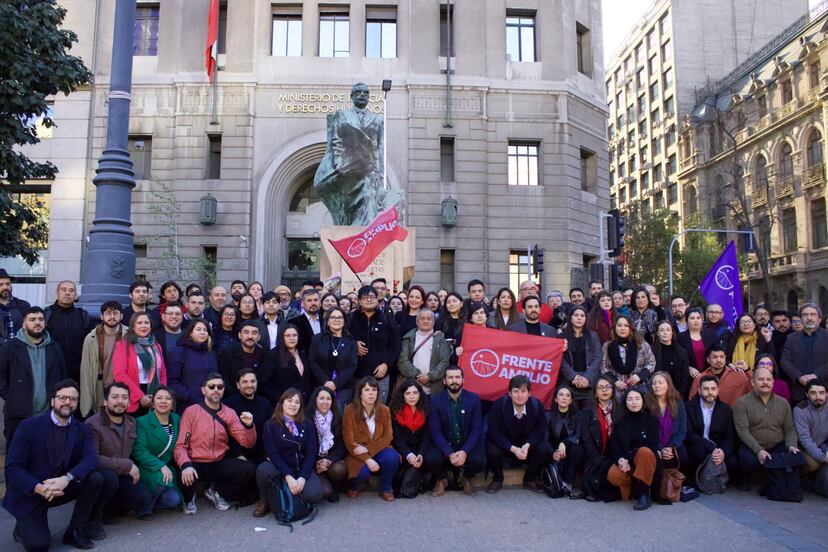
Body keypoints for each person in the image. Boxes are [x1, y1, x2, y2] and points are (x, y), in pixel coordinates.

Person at [3, 379, 105, 551]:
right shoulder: (29, 426)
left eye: (73, 399)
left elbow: (91, 459)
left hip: (61, 486)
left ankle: (74, 531)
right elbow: (13, 467)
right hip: (32, 491)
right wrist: (38, 487)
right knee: (39, 545)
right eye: (62, 397)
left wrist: (67, 478)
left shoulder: (82, 429)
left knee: (95, 478)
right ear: (52, 401)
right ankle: (23, 521)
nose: (67, 402)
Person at [174, 373, 257, 513]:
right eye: (211, 386)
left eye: (220, 386)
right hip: (196, 462)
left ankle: (217, 492)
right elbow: (181, 446)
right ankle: (189, 498)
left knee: (248, 469)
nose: (216, 390)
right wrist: (186, 465)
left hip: (218, 462)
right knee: (183, 471)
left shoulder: (229, 413)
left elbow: (247, 442)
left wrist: (249, 427)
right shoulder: (191, 411)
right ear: (203, 390)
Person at [85, 382, 154, 521]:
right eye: (115, 397)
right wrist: (127, 465)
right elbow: (93, 458)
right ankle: (95, 514)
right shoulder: (92, 424)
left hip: (122, 474)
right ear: (105, 401)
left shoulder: (131, 422)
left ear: (129, 402)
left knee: (144, 500)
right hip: (101, 474)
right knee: (109, 479)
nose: (120, 401)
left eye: (124, 398)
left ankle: (111, 508)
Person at [0, 306, 67, 446]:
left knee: (45, 457)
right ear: (24, 323)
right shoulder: (10, 347)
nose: (37, 323)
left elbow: (63, 376)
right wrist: (11, 396)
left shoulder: (54, 347)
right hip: (18, 414)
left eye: (40, 319)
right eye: (32, 319)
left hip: (48, 414)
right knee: (17, 456)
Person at [255, 388, 324, 517]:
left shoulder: (307, 424)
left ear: (300, 406)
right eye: (290, 400)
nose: (293, 405)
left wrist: (303, 477)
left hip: (301, 467)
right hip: (280, 468)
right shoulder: (270, 425)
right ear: (282, 403)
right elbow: (273, 454)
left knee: (315, 494)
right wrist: (289, 476)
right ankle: (263, 501)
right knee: (263, 469)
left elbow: (311, 452)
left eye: (297, 402)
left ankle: (290, 495)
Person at [733, 367, 800, 492]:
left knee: (791, 458)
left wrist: (791, 444)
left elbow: (789, 428)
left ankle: (771, 481)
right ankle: (744, 477)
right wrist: (759, 450)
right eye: (761, 379)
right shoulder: (742, 403)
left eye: (769, 379)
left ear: (773, 382)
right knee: (748, 461)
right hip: (752, 445)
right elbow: (743, 431)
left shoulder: (783, 403)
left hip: (776, 444)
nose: (765, 382)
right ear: (753, 382)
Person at [485, 375, 552, 493]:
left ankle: (529, 479)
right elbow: (494, 431)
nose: (520, 395)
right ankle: (497, 479)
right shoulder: (499, 405)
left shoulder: (537, 406)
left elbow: (540, 430)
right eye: (516, 391)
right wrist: (512, 448)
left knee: (543, 448)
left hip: (525, 445)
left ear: (529, 393)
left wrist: (528, 444)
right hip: (505, 444)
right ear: (509, 393)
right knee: (492, 450)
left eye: (523, 391)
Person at [425, 366, 484, 496]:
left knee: (480, 460)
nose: (454, 380)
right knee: (430, 458)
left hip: (466, 443)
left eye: (457, 377)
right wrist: (449, 453)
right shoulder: (435, 401)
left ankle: (466, 478)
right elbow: (435, 431)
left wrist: (464, 451)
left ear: (463, 380)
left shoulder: (473, 399)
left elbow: (476, 429)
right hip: (446, 444)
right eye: (450, 377)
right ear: (444, 381)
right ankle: (442, 479)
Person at [342, 377, 399, 501]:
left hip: (378, 448)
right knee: (362, 472)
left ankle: (386, 488)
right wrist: (367, 459)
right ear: (360, 393)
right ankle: (356, 486)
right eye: (367, 390)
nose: (371, 393)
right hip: (356, 452)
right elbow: (349, 440)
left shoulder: (384, 410)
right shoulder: (350, 410)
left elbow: (388, 436)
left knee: (392, 457)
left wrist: (367, 449)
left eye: (374, 390)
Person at [607, 387, 659, 510]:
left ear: (643, 401)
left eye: (637, 398)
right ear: (625, 402)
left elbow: (652, 445)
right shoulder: (619, 422)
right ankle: (633, 489)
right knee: (613, 474)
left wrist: (628, 457)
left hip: (645, 461)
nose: (634, 402)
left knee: (644, 452)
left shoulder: (651, 420)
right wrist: (620, 459)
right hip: (627, 464)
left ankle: (644, 493)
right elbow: (614, 446)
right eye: (630, 399)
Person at [132, 386, 182, 513]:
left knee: (173, 500)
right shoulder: (142, 422)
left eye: (168, 399)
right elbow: (139, 451)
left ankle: (151, 501)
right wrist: (160, 466)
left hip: (168, 468)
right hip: (147, 467)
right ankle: (143, 506)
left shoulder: (177, 419)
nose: (163, 401)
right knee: (160, 481)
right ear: (152, 403)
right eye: (159, 398)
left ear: (172, 404)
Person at [348, 285, 401, 404]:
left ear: (377, 300)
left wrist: (387, 364)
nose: (369, 299)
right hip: (357, 375)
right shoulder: (351, 318)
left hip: (380, 375)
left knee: (379, 411)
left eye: (372, 296)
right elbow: (344, 338)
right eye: (365, 297)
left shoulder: (386, 317)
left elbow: (396, 344)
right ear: (359, 301)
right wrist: (354, 344)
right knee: (357, 411)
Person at [686, 374, 739, 487]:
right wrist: (712, 448)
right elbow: (690, 434)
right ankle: (695, 480)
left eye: (713, 389)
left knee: (734, 463)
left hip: (718, 447)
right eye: (706, 389)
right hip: (698, 445)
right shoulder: (689, 407)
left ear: (718, 390)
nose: (710, 392)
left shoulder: (725, 409)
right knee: (697, 452)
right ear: (699, 390)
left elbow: (730, 436)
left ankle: (721, 481)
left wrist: (723, 452)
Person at [111, 312, 167, 417]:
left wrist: (159, 395)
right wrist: (140, 397)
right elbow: (120, 374)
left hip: (154, 395)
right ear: (133, 326)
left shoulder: (156, 345)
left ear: (150, 326)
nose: (143, 326)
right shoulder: (123, 345)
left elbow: (163, 373)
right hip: (133, 396)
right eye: (139, 323)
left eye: (146, 323)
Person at [79, 301, 127, 418]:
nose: (112, 317)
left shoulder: (129, 335)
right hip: (101, 388)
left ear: (121, 316)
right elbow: (86, 370)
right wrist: (86, 403)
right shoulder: (91, 338)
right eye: (108, 313)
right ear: (101, 316)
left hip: (123, 388)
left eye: (115, 313)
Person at [580, 375, 621, 502]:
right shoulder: (588, 411)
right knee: (598, 465)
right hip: (594, 453)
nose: (604, 390)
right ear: (595, 393)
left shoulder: (619, 410)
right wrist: (596, 457)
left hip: (613, 452)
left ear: (612, 391)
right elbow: (586, 438)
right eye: (600, 387)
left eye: (607, 387)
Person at [390, 379, 432, 497]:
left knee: (429, 458)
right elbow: (397, 437)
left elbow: (427, 436)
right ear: (402, 395)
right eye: (408, 393)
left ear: (420, 394)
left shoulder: (427, 409)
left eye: (415, 393)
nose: (412, 396)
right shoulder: (395, 411)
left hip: (420, 448)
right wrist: (408, 454)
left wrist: (420, 454)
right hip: (402, 448)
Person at [45, 280, 92, 382]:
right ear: (57, 293)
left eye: (71, 290)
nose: (67, 293)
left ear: (75, 295)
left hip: (78, 373)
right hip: (51, 371)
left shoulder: (82, 315)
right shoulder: (46, 315)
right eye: (63, 290)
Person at [309, 307, 358, 403]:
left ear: (344, 321)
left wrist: (335, 383)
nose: (336, 320)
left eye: (340, 317)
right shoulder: (317, 339)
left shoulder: (351, 340)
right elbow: (313, 361)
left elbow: (352, 365)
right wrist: (326, 382)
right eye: (333, 317)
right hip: (321, 386)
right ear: (327, 321)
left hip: (343, 388)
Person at [224, 369, 272, 465]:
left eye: (252, 381)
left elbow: (271, 430)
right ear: (238, 385)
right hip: (238, 455)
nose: (249, 385)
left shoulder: (265, 403)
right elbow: (225, 434)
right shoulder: (228, 404)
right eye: (245, 382)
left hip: (263, 453)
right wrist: (237, 454)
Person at [307, 386, 347, 502]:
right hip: (314, 462)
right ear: (315, 400)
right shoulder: (306, 418)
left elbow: (341, 445)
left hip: (331, 460)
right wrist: (316, 463)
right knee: (325, 492)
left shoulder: (337, 417)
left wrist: (329, 460)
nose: (325, 402)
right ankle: (325, 484)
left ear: (332, 401)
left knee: (339, 469)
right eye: (321, 398)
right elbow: (305, 447)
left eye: (328, 399)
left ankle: (336, 487)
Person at [167, 319, 218, 413]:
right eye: (198, 329)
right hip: (188, 406)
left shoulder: (211, 353)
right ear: (190, 333)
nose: (202, 332)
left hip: (211, 404)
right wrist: (188, 396)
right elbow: (172, 380)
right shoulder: (179, 352)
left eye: (205, 330)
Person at [781, 303, 828, 403]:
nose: (809, 317)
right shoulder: (792, 338)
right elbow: (785, 362)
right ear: (801, 319)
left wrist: (816, 375)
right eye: (805, 315)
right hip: (799, 391)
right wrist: (799, 376)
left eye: (812, 314)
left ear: (819, 319)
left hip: (824, 390)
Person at [398, 309, 451, 395]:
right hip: (412, 388)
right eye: (422, 318)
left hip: (435, 388)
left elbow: (444, 361)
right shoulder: (408, 338)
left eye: (429, 319)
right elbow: (402, 361)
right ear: (417, 322)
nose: (425, 321)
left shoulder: (440, 339)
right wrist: (418, 375)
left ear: (433, 322)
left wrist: (429, 377)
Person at [559, 306, 602, 410]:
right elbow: (560, 359)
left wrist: (587, 377)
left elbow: (598, 357)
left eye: (582, 316)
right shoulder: (562, 337)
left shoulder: (593, 336)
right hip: (569, 382)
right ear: (571, 318)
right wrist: (573, 376)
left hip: (589, 383)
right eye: (576, 315)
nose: (579, 318)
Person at [547, 386, 586, 499]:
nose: (564, 398)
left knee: (577, 449)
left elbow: (578, 436)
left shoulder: (578, 416)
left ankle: (567, 483)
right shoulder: (548, 415)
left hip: (570, 454)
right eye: (561, 395)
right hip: (553, 453)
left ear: (571, 400)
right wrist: (553, 452)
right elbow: (545, 439)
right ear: (555, 399)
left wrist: (564, 442)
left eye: (567, 395)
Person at [645, 372, 689, 472]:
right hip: (654, 443)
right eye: (654, 383)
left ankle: (679, 483)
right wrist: (660, 448)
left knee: (683, 457)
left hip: (673, 443)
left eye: (660, 383)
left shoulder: (678, 403)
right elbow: (647, 432)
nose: (657, 386)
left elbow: (683, 430)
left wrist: (671, 447)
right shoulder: (647, 405)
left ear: (668, 384)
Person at [601, 314, 656, 394]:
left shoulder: (641, 344)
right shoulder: (607, 345)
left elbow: (651, 362)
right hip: (615, 389)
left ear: (630, 328)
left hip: (638, 388)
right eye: (619, 325)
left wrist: (640, 376)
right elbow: (603, 366)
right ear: (614, 328)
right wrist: (615, 381)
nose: (622, 328)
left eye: (626, 326)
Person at [794, 379, 828, 497]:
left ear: (826, 394)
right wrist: (823, 457)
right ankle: (804, 479)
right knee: (814, 464)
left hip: (824, 444)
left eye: (821, 392)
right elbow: (805, 439)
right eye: (813, 393)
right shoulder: (800, 410)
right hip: (803, 447)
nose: (818, 397)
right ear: (807, 394)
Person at [219, 321, 268, 401]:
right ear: (239, 335)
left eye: (254, 333)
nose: (250, 336)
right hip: (232, 400)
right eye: (246, 332)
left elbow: (265, 381)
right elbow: (224, 379)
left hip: (257, 400)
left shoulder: (263, 354)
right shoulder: (228, 353)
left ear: (259, 337)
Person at [264, 323, 312, 402]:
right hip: (283, 405)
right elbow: (266, 385)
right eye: (288, 335)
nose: (292, 338)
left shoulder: (303, 353)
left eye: (294, 335)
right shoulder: (272, 356)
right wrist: (282, 401)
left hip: (304, 404)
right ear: (282, 337)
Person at [652, 320, 691, 399]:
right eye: (662, 330)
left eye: (668, 330)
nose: (665, 332)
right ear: (657, 333)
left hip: (677, 394)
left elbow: (685, 375)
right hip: (656, 394)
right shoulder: (652, 351)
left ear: (672, 332)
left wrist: (679, 393)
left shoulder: (682, 352)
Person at [677, 308, 716, 375]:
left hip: (709, 374)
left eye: (698, 318)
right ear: (687, 320)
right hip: (689, 376)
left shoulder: (710, 335)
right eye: (692, 318)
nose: (696, 320)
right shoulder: (680, 338)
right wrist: (688, 367)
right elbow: (678, 358)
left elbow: (716, 352)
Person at [0, 268, 31, 346]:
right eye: (1, 284)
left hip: (19, 351)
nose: (5, 287)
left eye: (7, 284)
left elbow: (29, 328)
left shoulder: (23, 305)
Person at [152, 301, 184, 372]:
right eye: (170, 313)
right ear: (163, 317)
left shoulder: (189, 336)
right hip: (163, 380)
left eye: (178, 314)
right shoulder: (154, 338)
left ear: (182, 317)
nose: (174, 316)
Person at [436, 292, 465, 365]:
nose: (451, 304)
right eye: (448, 302)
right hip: (444, 361)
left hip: (463, 359)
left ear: (461, 303)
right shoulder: (440, 322)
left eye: (454, 301)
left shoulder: (468, 321)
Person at [290, 289, 322, 354]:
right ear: (302, 303)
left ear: (320, 303)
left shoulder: (327, 322)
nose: (313, 303)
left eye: (316, 300)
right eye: (309, 300)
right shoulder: (294, 323)